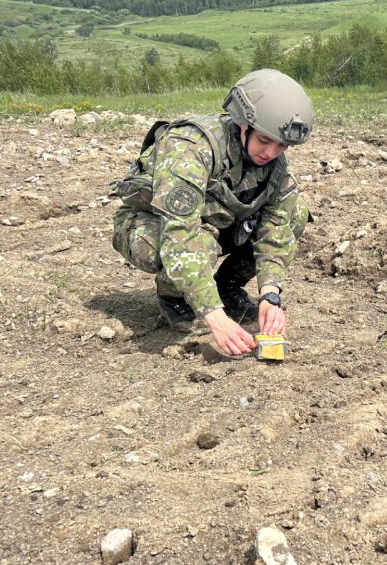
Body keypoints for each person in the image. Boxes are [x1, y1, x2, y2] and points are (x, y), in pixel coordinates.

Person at [112, 68, 312, 356]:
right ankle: (175, 296)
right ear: (243, 123)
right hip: (154, 225)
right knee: (197, 245)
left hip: (219, 222)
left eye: (281, 146)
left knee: (296, 215)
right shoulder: (191, 148)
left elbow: (276, 231)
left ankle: (226, 286)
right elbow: (179, 235)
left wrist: (270, 294)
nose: (270, 153)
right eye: (264, 141)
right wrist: (215, 318)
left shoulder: (274, 167)